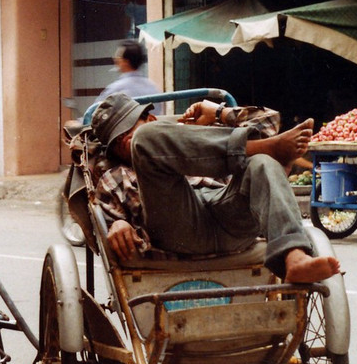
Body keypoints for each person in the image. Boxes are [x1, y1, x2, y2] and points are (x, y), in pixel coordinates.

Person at [90, 92, 340, 283]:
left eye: (130, 129)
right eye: (118, 142)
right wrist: (117, 224)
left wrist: (219, 113)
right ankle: (263, 148)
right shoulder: (113, 177)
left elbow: (269, 124)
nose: (126, 141)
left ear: (152, 118)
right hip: (178, 229)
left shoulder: (198, 133)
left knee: (263, 163)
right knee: (145, 140)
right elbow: (104, 223)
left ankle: (294, 256)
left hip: (229, 214)